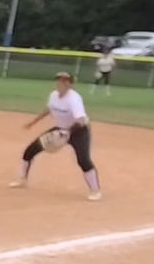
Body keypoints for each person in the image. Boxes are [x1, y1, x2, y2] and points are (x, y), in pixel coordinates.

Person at [11, 71, 102, 202]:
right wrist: (33, 122)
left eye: (64, 81)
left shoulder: (74, 98)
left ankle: (95, 191)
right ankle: (22, 180)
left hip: (78, 132)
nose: (61, 83)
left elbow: (81, 120)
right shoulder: (53, 95)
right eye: (59, 80)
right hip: (59, 129)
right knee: (30, 150)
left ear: (70, 84)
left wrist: (68, 132)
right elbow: (49, 109)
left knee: (83, 160)